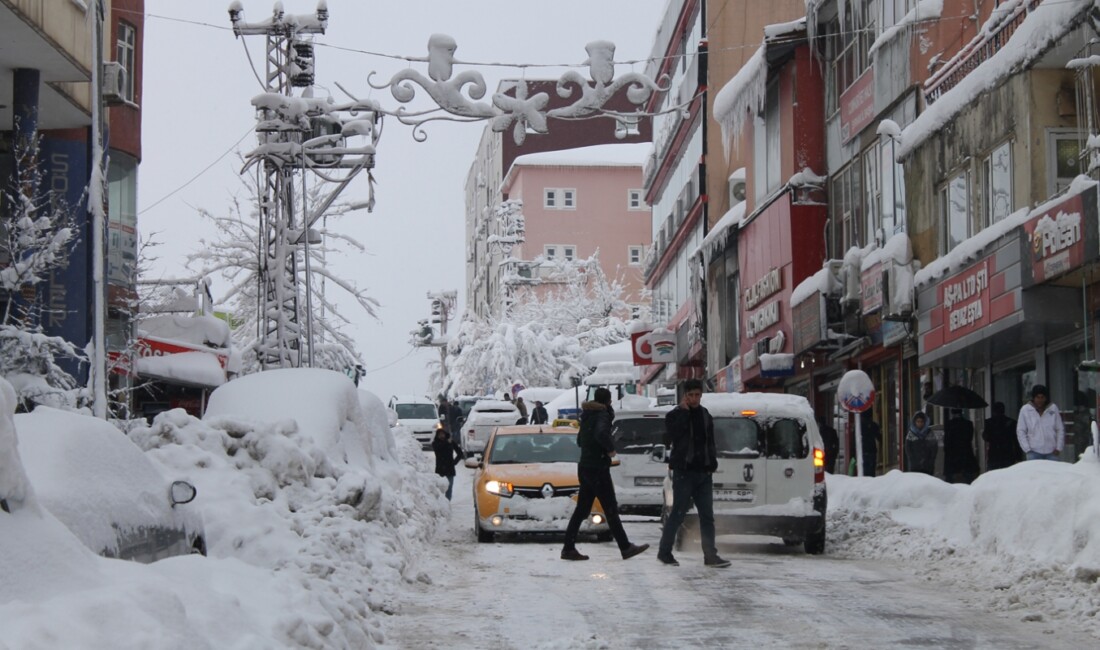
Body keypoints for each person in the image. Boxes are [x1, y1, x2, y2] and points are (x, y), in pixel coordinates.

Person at [561, 387, 649, 561]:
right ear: (608, 401)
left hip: (585, 467)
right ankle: (625, 547)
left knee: (582, 510)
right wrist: (609, 449)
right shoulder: (602, 415)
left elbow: (580, 440)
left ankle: (568, 548)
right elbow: (601, 433)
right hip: (598, 468)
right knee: (610, 508)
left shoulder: (586, 415)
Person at [656, 379, 730, 568]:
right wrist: (684, 413)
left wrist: (712, 462)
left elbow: (710, 441)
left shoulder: (705, 415)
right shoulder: (675, 415)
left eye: (697, 395)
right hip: (684, 472)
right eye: (691, 395)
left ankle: (710, 555)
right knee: (678, 514)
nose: (694, 399)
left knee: (707, 515)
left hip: (703, 473)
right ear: (684, 396)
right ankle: (664, 552)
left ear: (701, 395)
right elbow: (673, 434)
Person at [1017, 384, 1064, 461]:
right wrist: (1027, 449)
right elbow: (1021, 430)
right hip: (1033, 453)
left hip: (1052, 452)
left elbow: (1059, 428)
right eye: (1037, 397)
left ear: (1045, 398)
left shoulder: (1053, 408)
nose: (1040, 400)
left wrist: (1059, 447)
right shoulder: (1025, 410)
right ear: (1034, 398)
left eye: (1042, 397)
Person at [943, 409, 979, 483]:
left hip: (952, 458)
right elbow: (969, 438)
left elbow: (947, 442)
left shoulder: (949, 424)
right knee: (968, 481)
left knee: (951, 483)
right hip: (966, 457)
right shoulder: (968, 424)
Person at [983, 401, 1022, 470]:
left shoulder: (989, 422)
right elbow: (1016, 440)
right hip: (1007, 454)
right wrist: (1018, 456)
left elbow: (986, 437)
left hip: (994, 454)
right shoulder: (1011, 422)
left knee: (993, 476)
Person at [431, 427, 464, 501]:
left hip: (450, 469)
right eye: (439, 434)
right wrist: (447, 442)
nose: (441, 436)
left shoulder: (450, 442)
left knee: (449, 488)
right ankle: (440, 502)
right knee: (439, 488)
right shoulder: (435, 443)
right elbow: (438, 448)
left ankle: (447, 502)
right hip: (440, 469)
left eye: (443, 434)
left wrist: (454, 462)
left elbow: (460, 453)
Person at [905, 411, 938, 475]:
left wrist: (931, 460)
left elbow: (934, 447)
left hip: (928, 466)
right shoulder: (911, 434)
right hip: (915, 466)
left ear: (925, 422)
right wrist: (912, 460)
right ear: (915, 422)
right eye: (918, 421)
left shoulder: (929, 433)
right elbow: (908, 448)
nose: (920, 424)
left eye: (921, 422)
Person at [859, 410, 881, 478]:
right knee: (871, 470)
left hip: (862, 450)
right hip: (872, 450)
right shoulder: (874, 425)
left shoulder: (859, 426)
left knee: (864, 469)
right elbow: (879, 437)